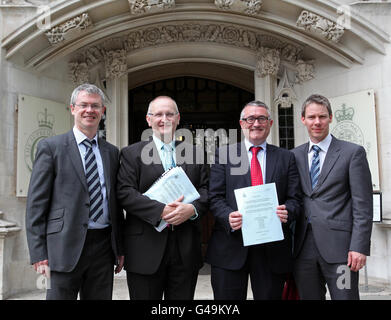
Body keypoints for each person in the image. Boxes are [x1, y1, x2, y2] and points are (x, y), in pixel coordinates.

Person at [26, 83, 124, 300]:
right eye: (84, 105)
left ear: (103, 111)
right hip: (62, 246)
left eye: (95, 106)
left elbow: (115, 202)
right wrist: (38, 252)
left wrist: (119, 247)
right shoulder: (51, 147)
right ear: (72, 109)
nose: (90, 110)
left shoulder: (112, 152)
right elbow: (36, 204)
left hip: (103, 246)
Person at [206, 100, 302, 300]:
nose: (255, 123)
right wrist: (227, 216)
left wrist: (288, 211)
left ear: (270, 123)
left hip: (272, 249)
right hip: (230, 247)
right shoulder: (224, 155)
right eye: (250, 119)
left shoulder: (286, 157)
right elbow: (214, 196)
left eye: (261, 118)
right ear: (241, 123)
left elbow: (295, 199)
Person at [116, 96, 208, 300]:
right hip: (144, 250)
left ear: (177, 119)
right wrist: (161, 211)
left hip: (186, 250)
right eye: (158, 114)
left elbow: (207, 190)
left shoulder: (194, 153)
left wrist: (192, 210)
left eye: (169, 114)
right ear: (148, 120)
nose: (164, 119)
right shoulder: (131, 153)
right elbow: (125, 192)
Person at [292, 94, 373, 300]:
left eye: (322, 116)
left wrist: (359, 246)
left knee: (344, 297)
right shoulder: (294, 155)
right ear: (303, 119)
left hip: (341, 251)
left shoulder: (352, 153)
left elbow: (362, 205)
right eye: (311, 117)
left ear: (330, 117)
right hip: (303, 250)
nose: (317, 122)